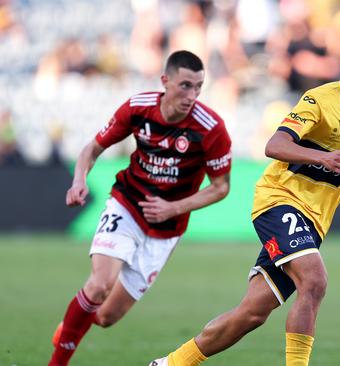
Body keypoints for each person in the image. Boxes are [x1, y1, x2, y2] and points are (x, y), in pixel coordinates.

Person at [149, 28, 340, 366]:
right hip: (280, 201)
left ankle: (170, 364)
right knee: (315, 280)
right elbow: (274, 146)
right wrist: (322, 157)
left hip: (314, 222)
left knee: (251, 314)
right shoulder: (319, 100)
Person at [48, 50, 232, 366]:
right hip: (127, 205)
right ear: (165, 81)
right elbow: (92, 149)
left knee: (105, 316)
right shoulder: (139, 108)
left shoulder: (210, 128)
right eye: (185, 85)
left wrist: (173, 208)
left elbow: (221, 187)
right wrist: (79, 180)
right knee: (99, 285)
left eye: (198, 87)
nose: (192, 95)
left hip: (166, 229)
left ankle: (71, 325)